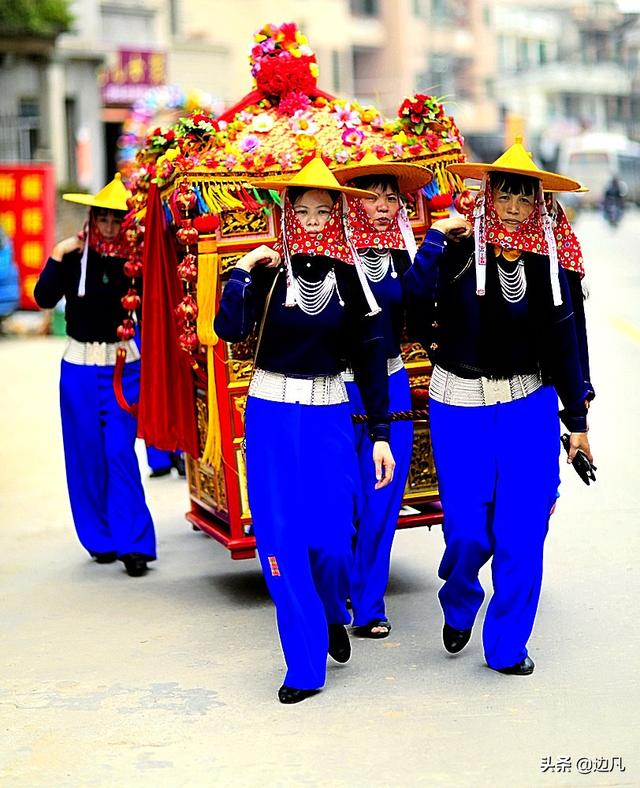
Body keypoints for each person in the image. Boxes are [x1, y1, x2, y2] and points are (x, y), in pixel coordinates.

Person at [404, 139, 594, 675]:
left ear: (539, 204)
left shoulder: (552, 262)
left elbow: (568, 345)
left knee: (522, 531)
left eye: (524, 198)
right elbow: (412, 308)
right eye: (504, 196)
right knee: (468, 531)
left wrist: (578, 422)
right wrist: (435, 239)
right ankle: (460, 594)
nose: (513, 208)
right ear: (487, 196)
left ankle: (508, 646)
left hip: (528, 408)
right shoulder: (457, 251)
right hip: (458, 406)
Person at [214, 157, 395, 703]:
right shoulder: (268, 273)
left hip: (329, 415)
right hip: (270, 414)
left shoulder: (353, 277)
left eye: (323, 211)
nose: (313, 221)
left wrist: (381, 436)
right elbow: (228, 328)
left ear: (337, 214)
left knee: (331, 539)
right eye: (303, 210)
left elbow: (372, 358)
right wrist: (243, 268)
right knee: (280, 538)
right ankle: (304, 664)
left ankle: (332, 608)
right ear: (287, 212)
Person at [34, 174, 156, 577]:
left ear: (126, 221)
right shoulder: (72, 258)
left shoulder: (136, 260)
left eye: (116, 219)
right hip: (80, 370)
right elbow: (43, 298)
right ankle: (100, 538)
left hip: (124, 368)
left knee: (120, 451)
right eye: (102, 218)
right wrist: (58, 252)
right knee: (86, 454)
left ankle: (135, 543)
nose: (109, 226)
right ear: (92, 218)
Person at [332, 152, 432, 638]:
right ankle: (338, 592)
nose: (383, 206)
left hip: (391, 384)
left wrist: (438, 245)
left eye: (391, 198)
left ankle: (370, 605)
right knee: (344, 499)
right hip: (337, 388)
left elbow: (422, 305)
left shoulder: (402, 256)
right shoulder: (330, 256)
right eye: (372, 197)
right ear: (353, 203)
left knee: (381, 501)